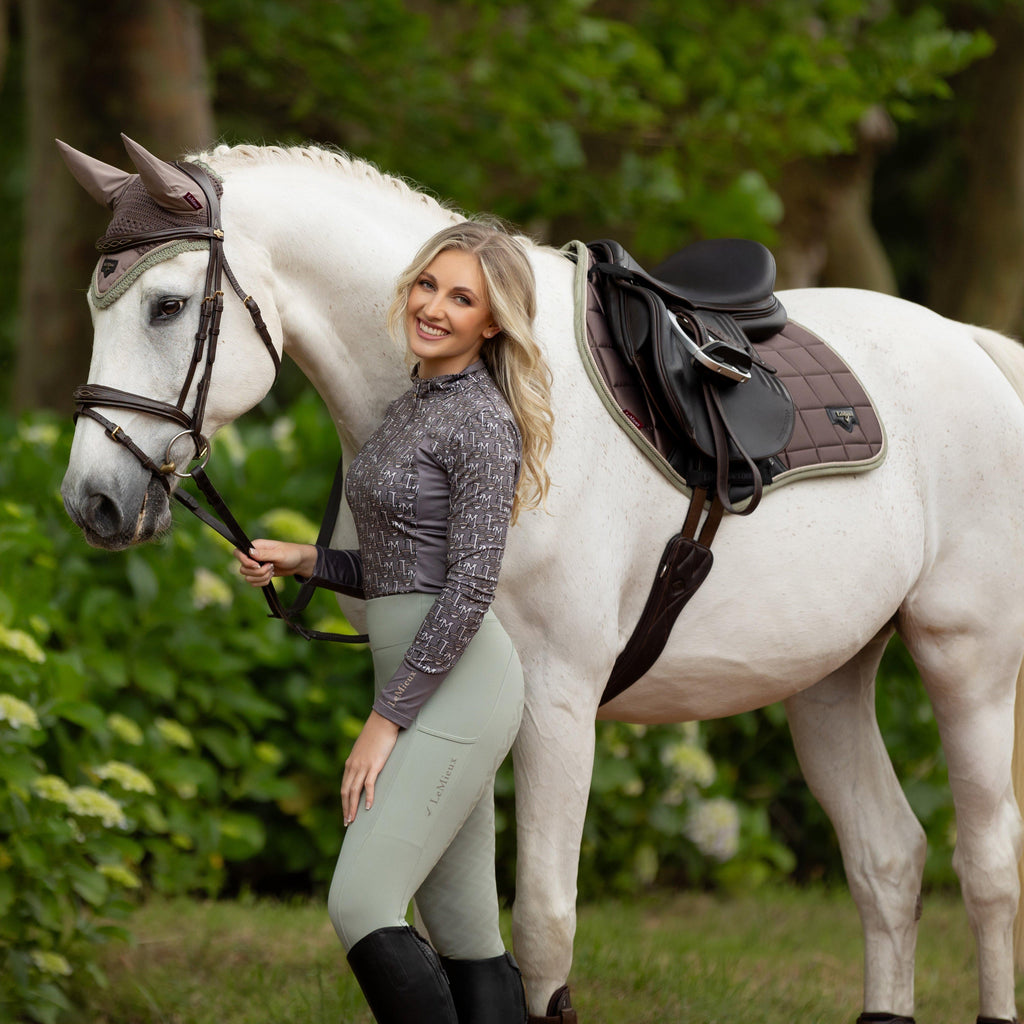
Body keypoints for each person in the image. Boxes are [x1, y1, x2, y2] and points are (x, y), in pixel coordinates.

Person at [233, 220, 553, 1024]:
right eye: (427, 285)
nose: (435, 306)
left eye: (462, 297)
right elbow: (407, 573)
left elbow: (469, 589)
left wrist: (386, 720)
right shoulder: (415, 405)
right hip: (421, 682)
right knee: (467, 928)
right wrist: (310, 563)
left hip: (460, 689)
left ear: (493, 323)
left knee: (363, 900)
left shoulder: (481, 419)